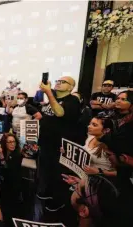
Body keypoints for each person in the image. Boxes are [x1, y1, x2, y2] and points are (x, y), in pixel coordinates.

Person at [37, 76, 81, 211]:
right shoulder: (54, 98)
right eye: (58, 81)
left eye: (63, 82)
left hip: (59, 144)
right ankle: (48, 193)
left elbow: (60, 113)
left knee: (58, 173)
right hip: (46, 141)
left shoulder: (73, 100)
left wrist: (49, 92)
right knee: (47, 170)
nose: (58, 83)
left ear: (70, 87)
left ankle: (59, 200)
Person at [99, 90, 133, 227]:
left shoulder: (132, 123)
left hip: (128, 166)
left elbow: (123, 142)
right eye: (118, 98)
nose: (118, 101)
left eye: (123, 99)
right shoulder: (113, 117)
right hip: (117, 164)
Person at [0, 133, 25, 224]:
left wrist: (1, 156)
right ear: (5, 144)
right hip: (8, 183)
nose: (12, 144)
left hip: (13, 186)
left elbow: (6, 170)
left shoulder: (17, 155)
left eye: (13, 142)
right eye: (9, 142)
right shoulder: (8, 153)